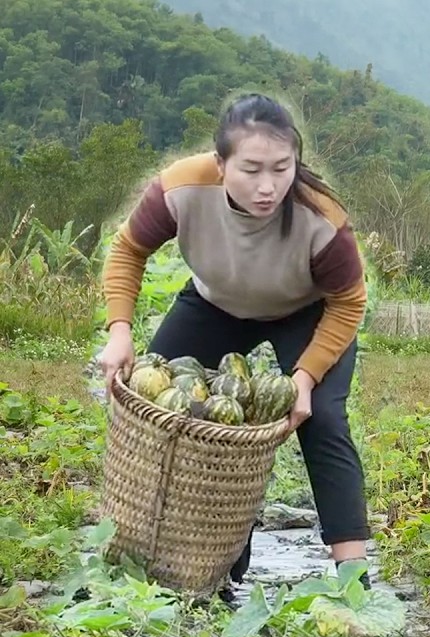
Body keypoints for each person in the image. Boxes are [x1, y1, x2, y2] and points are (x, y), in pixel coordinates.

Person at [98, 92, 372, 589]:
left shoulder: (320, 217)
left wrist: (305, 379)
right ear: (220, 164)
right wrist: (119, 332)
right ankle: (208, 566)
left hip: (306, 313)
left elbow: (349, 302)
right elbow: (128, 250)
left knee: (324, 419)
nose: (268, 186)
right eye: (251, 169)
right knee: (170, 412)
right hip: (216, 305)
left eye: (281, 168)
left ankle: (353, 576)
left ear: (296, 163)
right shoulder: (181, 189)